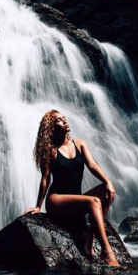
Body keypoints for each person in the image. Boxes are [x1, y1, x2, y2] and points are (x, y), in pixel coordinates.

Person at [24, 109, 120, 266]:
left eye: (64, 118)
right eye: (59, 120)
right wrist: (38, 206)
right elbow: (45, 179)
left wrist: (107, 181)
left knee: (106, 191)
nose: (64, 121)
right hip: (56, 201)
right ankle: (106, 252)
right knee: (94, 202)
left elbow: (92, 165)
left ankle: (91, 234)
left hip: (76, 199)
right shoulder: (51, 150)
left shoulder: (79, 144)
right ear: (51, 127)